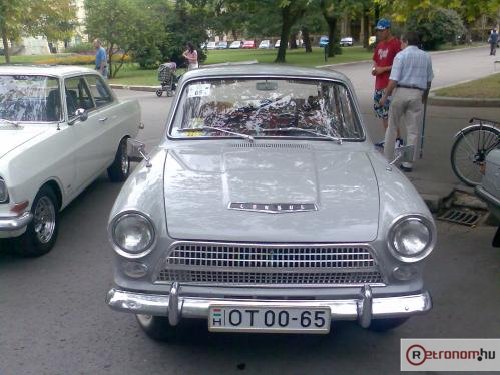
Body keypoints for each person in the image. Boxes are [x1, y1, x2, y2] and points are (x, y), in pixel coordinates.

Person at [379, 31, 434, 172]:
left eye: (402, 42)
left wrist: (385, 96)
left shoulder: (401, 56)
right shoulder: (426, 56)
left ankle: (387, 159)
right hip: (417, 93)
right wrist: (425, 97)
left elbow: (394, 80)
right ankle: (408, 163)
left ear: (407, 41)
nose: (401, 45)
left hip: (401, 91)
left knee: (392, 126)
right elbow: (428, 80)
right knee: (413, 130)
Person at [371, 18, 402, 148]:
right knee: (383, 115)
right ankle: (388, 138)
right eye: (378, 31)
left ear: (388, 30)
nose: (379, 33)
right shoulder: (379, 45)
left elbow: (399, 64)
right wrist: (375, 69)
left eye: (382, 30)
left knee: (390, 115)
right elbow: (375, 61)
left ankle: (398, 140)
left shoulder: (396, 44)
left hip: (389, 85)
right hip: (378, 84)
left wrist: (383, 69)